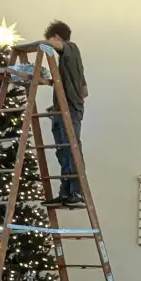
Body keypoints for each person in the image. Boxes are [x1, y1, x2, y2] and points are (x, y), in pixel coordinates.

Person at [44, 21, 88, 207]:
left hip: (69, 110)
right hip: (64, 108)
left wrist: (39, 44)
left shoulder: (71, 49)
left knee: (71, 148)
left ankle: (76, 192)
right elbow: (84, 91)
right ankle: (66, 192)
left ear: (56, 37)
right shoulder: (70, 63)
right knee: (63, 151)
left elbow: (58, 45)